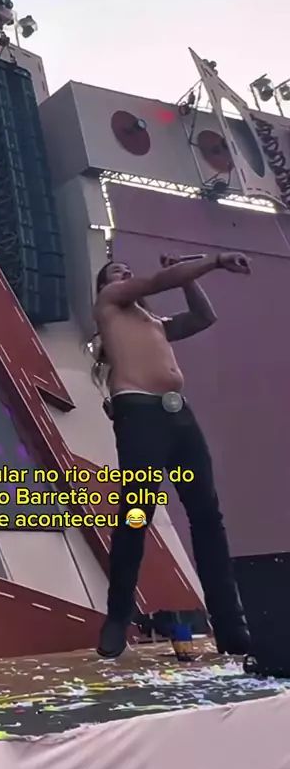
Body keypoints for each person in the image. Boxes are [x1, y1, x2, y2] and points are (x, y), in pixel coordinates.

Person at [92, 252, 252, 659]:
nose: (124, 271)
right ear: (105, 284)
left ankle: (231, 626)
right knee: (136, 512)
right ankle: (118, 616)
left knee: (206, 516)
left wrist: (188, 277)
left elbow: (203, 317)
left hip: (178, 415)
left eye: (126, 268)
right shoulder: (110, 303)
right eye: (115, 270)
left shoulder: (154, 323)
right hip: (139, 412)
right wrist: (215, 261)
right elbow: (155, 282)